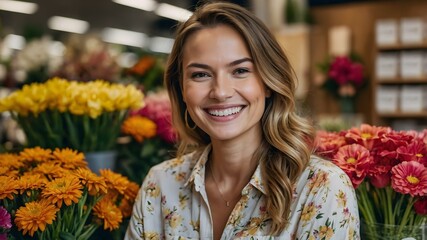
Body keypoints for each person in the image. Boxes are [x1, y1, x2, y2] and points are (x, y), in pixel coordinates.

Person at [125, 2, 360, 239]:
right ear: (181, 89)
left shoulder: (321, 188)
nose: (220, 92)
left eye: (240, 71)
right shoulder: (160, 184)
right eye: (200, 74)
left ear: (268, 82)